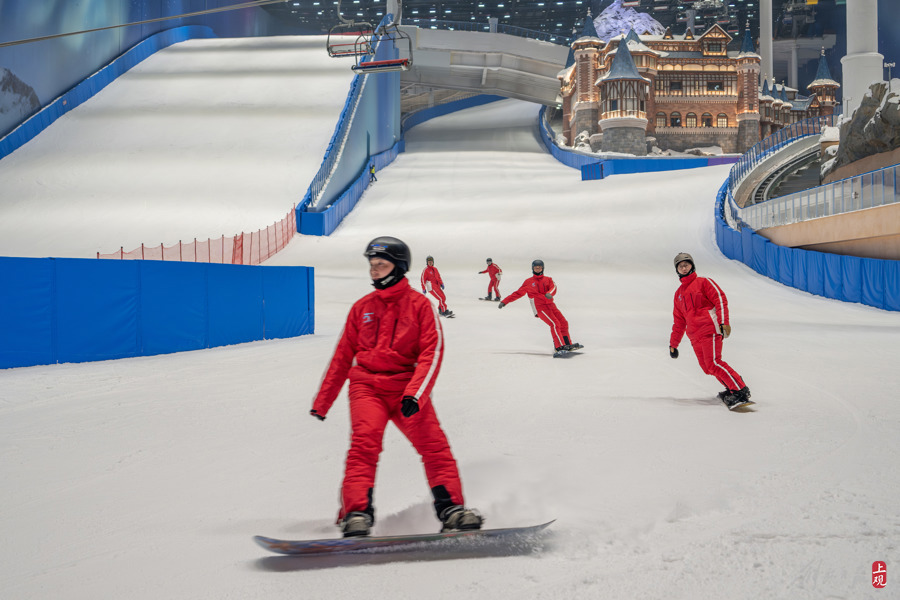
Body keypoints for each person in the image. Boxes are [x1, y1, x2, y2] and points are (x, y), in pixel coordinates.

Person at [310, 236, 482, 537]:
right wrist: (323, 402)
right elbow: (342, 357)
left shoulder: (420, 306)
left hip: (406, 391)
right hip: (367, 389)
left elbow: (432, 352)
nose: (374, 271)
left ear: (399, 267)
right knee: (364, 446)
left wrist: (415, 393)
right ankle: (356, 514)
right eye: (372, 265)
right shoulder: (361, 308)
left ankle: (452, 510)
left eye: (381, 265)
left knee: (435, 448)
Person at [668, 252, 751, 410]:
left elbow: (720, 299)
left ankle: (740, 390)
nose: (684, 268)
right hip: (694, 336)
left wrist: (723, 322)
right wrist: (674, 344)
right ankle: (731, 388)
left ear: (692, 265)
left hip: (709, 329)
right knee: (707, 368)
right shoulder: (678, 294)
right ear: (677, 270)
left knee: (714, 363)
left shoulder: (704, 282)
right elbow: (679, 322)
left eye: (686, 264)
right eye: (680, 266)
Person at [498, 259, 582, 357]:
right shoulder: (528, 282)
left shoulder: (548, 279)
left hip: (551, 305)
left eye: (539, 267)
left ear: (543, 268)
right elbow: (517, 293)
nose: (538, 269)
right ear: (532, 269)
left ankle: (567, 344)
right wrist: (505, 301)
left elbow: (554, 287)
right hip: (540, 307)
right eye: (536, 268)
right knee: (554, 324)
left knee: (563, 322)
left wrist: (549, 294)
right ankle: (559, 347)